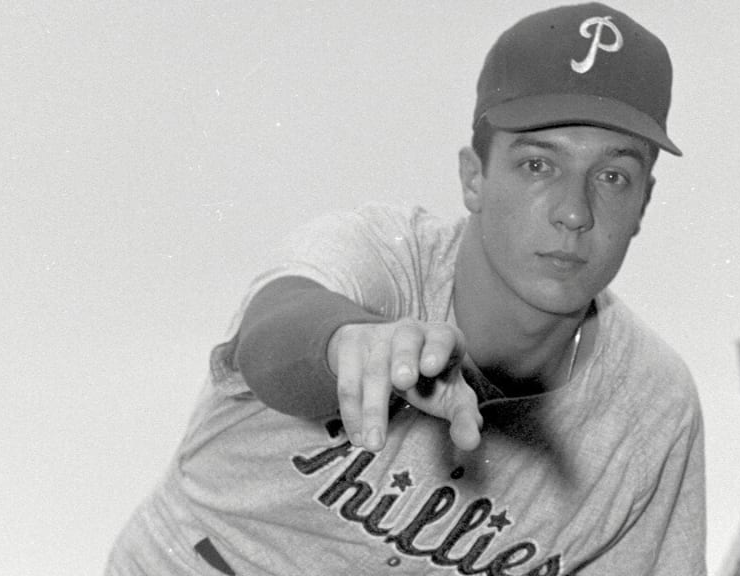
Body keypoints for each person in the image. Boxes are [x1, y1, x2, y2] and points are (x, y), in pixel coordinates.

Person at [106, 3, 705, 574]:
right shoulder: (385, 256)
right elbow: (273, 331)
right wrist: (343, 343)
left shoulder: (652, 408)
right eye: (537, 165)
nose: (574, 212)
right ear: (474, 178)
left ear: (644, 203)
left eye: (612, 176)